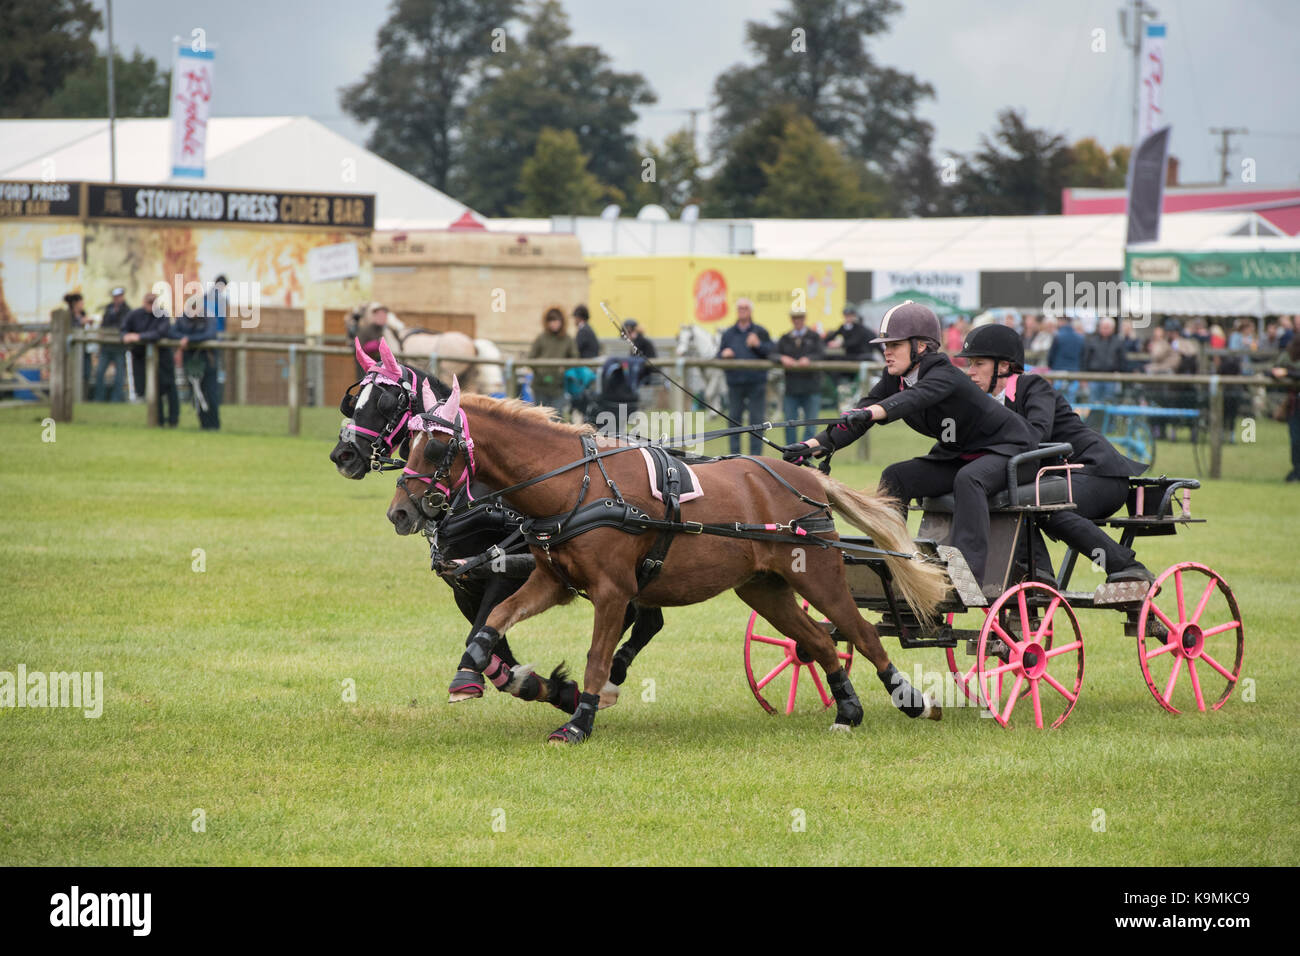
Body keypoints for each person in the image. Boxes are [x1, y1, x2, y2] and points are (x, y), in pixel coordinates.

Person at [782, 301, 1038, 592]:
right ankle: (896, 562)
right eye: (884, 345)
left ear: (921, 347)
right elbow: (860, 414)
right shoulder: (896, 378)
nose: (886, 351)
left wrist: (871, 412)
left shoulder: (944, 374)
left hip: (1013, 449)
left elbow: (913, 400)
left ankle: (966, 577)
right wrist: (812, 444)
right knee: (896, 476)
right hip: (961, 454)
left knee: (970, 480)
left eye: (894, 344)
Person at [956, 323, 1154, 583]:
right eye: (969, 364)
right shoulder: (985, 404)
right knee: (1008, 501)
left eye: (978, 364)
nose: (970, 372)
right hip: (1058, 477)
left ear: (1003, 366)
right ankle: (1036, 575)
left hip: (1099, 472)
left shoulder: (1033, 386)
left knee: (1045, 506)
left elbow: (1036, 433)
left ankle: (1126, 566)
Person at [717, 298, 775, 456]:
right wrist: (723, 355)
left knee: (756, 422)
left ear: (750, 311)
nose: (742, 310)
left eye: (745, 308)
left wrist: (758, 345)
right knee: (734, 421)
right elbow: (718, 355)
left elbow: (772, 352)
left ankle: (756, 457)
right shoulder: (728, 333)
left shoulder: (760, 331)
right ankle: (734, 457)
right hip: (735, 383)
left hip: (756, 383)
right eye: (740, 308)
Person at [121, 292, 178, 426]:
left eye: (154, 302)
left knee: (169, 388)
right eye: (149, 302)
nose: (151, 305)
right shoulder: (135, 315)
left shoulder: (162, 315)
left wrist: (138, 337)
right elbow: (123, 330)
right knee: (151, 389)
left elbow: (160, 333)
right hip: (141, 357)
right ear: (144, 302)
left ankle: (173, 420)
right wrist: (126, 336)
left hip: (163, 358)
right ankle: (158, 420)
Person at [775, 309, 825, 444]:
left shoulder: (814, 337)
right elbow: (772, 353)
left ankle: (806, 454)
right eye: (795, 318)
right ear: (792, 320)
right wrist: (782, 358)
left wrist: (809, 359)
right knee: (789, 425)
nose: (797, 320)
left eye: (800, 318)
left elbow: (821, 353)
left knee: (810, 425)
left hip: (811, 387)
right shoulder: (785, 338)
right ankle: (791, 454)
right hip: (791, 387)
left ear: (804, 318)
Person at [173, 303, 221, 430]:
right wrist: (185, 339)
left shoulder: (208, 318)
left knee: (210, 393)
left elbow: (209, 335)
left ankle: (214, 425)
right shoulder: (182, 319)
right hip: (190, 361)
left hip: (207, 360)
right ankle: (203, 424)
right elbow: (172, 332)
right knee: (196, 392)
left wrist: (188, 339)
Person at [527, 306, 577, 410]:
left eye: (556, 320)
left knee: (556, 417)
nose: (554, 324)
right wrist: (539, 371)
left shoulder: (567, 339)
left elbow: (574, 357)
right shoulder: (541, 338)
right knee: (540, 418)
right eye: (551, 320)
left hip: (559, 386)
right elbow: (530, 357)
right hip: (540, 385)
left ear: (562, 321)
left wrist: (564, 369)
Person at [1271, 337, 1300, 482]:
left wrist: (1288, 373)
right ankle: (1296, 471)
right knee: (1295, 440)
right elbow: (1274, 370)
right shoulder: (1287, 354)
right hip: (1295, 403)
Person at [93, 287, 130, 402]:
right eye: (115, 296)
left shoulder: (127, 310)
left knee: (119, 374)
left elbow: (123, 326)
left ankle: (116, 398)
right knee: (99, 372)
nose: (116, 299)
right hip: (106, 346)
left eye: (119, 296)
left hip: (119, 347)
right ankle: (99, 397)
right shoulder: (109, 308)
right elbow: (104, 324)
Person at [1082, 317, 1127, 403]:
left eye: (1107, 327)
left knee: (1109, 403)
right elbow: (1085, 358)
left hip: (1111, 378)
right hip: (1094, 377)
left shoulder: (1118, 341)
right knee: (1093, 403)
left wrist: (1120, 372)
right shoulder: (1092, 341)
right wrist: (1084, 377)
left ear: (1112, 329)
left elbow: (1122, 360)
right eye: (1103, 327)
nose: (1105, 330)